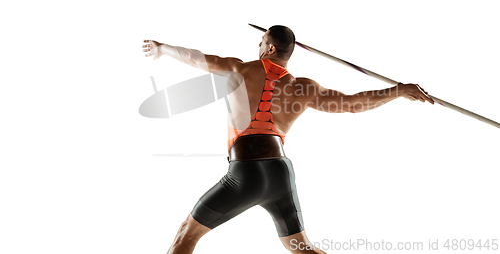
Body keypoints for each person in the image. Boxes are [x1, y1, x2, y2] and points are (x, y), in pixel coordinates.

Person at [142, 25, 434, 254]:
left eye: (260, 44)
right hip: (280, 173)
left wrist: (161, 48)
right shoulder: (304, 88)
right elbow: (353, 104)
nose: (256, 49)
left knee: (187, 234)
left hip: (246, 172)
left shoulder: (239, 70)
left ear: (269, 47)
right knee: (301, 248)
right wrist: (397, 91)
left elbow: (195, 58)